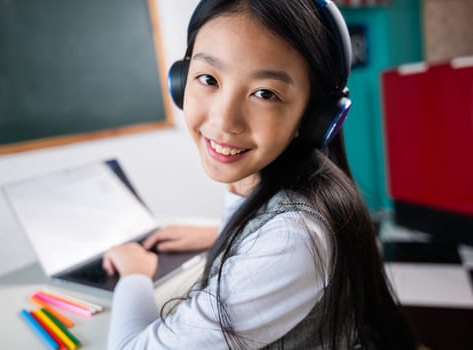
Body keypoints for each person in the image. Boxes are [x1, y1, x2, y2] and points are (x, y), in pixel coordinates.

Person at [102, 0, 418, 349]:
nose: (224, 121)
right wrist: (221, 234)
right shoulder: (278, 186)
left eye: (264, 93)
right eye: (208, 78)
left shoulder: (294, 238)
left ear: (315, 118)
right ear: (182, 79)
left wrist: (134, 273)